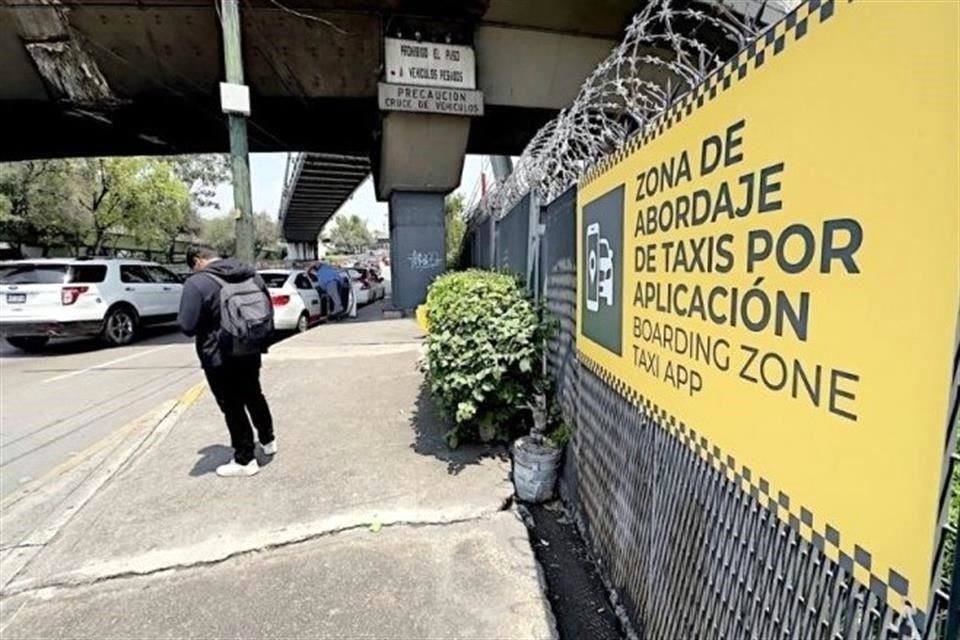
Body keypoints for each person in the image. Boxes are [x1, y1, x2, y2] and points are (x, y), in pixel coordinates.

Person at [178, 246, 276, 477]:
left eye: (193, 266)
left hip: (219, 355)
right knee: (254, 393)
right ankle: (268, 440)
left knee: (232, 405)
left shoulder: (197, 283)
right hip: (250, 347)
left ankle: (245, 459)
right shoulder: (251, 274)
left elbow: (187, 326)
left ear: (197, 260)